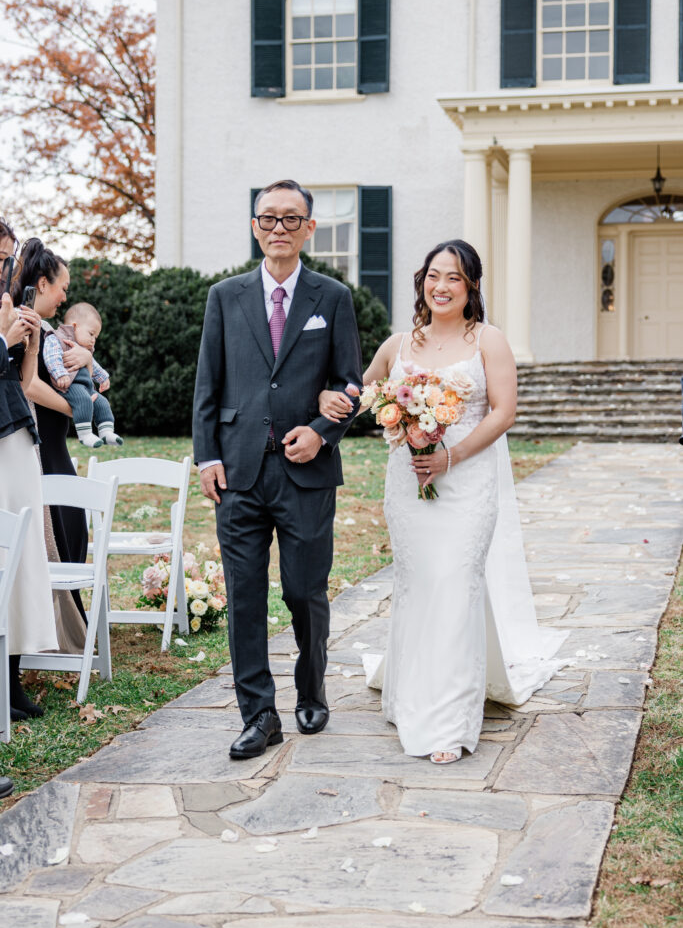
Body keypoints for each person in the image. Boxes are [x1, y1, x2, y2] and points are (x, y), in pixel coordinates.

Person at [320, 239, 566, 764]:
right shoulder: (398, 345)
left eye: (454, 277)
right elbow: (358, 394)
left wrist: (450, 458)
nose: (442, 286)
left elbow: (503, 412)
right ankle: (408, 695)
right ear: (422, 282)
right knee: (419, 586)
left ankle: (450, 722)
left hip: (467, 483)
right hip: (408, 485)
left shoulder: (489, 341)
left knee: (455, 586)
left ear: (471, 286)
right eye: (434, 275)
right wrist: (329, 398)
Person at [193, 178, 363, 760]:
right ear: (255, 226)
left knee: (303, 591)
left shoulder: (332, 298)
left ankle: (311, 688)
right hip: (238, 472)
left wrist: (321, 432)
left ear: (309, 228)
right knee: (244, 595)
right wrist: (207, 456)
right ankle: (259, 714)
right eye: (268, 218)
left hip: (306, 474)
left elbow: (350, 385)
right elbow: (208, 385)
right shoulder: (225, 296)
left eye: (292, 218)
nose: (279, 228)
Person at [0, 221, 59, 720]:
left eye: (7, 258)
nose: (4, 267)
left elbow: (23, 384)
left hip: (17, 439)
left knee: (22, 558)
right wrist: (3, 340)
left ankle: (11, 681)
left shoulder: (7, 304)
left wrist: (31, 344)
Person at [17, 238, 89, 643]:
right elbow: (27, 386)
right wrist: (75, 409)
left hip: (56, 447)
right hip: (40, 448)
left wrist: (87, 360)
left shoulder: (48, 331)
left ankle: (70, 627)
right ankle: (64, 632)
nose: (65, 296)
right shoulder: (26, 327)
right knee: (61, 533)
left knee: (73, 532)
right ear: (42, 284)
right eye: (62, 287)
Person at [43, 301, 122, 448]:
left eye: (96, 337)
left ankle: (106, 432)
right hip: (69, 385)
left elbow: (93, 364)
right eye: (91, 334)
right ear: (74, 326)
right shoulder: (57, 338)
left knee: (102, 402)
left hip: (86, 387)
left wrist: (103, 377)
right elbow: (51, 357)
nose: (93, 340)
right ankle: (85, 434)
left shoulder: (84, 347)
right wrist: (60, 374)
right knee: (83, 400)